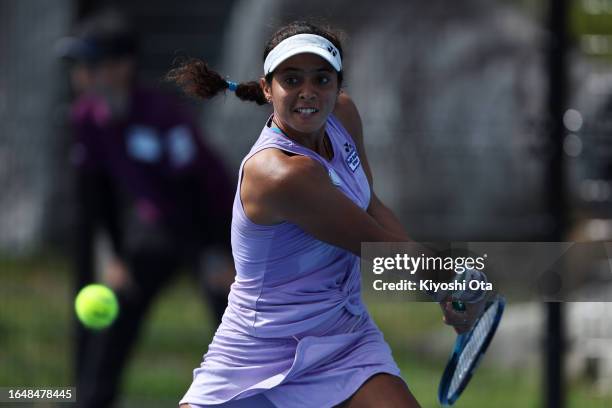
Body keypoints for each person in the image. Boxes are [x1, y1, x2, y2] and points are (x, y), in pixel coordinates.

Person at [168, 21, 482, 408]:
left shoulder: (343, 116)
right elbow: (376, 248)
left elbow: (370, 206)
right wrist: (455, 281)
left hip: (344, 337)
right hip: (256, 356)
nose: (308, 92)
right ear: (268, 89)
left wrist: (448, 288)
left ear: (338, 86)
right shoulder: (280, 174)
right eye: (292, 79)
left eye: (321, 79)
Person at [58, 11, 235, 408]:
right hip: (153, 229)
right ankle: (92, 400)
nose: (82, 76)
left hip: (210, 226)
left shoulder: (162, 116)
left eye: (93, 64)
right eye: (78, 66)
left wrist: (216, 253)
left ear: (123, 66)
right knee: (117, 312)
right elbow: (95, 195)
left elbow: (200, 190)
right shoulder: (86, 118)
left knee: (233, 322)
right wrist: (115, 255)